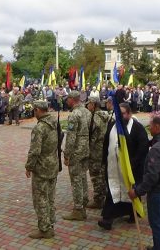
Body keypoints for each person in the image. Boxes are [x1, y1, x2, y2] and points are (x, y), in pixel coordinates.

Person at [128, 116, 160, 250]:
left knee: (157, 223)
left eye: (150, 125)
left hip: (159, 191)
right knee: (159, 221)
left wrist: (137, 191)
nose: (149, 128)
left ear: (157, 127)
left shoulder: (157, 148)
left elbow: (152, 176)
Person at [98, 102, 149, 230]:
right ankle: (108, 219)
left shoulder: (138, 128)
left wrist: (132, 163)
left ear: (129, 113)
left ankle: (133, 214)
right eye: (117, 114)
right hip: (113, 168)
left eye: (122, 114)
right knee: (112, 191)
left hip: (131, 169)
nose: (120, 117)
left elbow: (143, 149)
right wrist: (104, 160)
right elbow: (106, 144)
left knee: (130, 193)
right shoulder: (112, 126)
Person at [25, 100, 59, 239]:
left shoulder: (40, 128)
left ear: (39, 110)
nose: (34, 113)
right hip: (53, 164)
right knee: (50, 196)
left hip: (42, 167)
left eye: (35, 110)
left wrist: (29, 166)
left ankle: (44, 229)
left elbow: (35, 151)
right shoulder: (53, 122)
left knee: (40, 198)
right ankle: (50, 222)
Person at [62, 90, 91, 221]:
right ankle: (84, 201)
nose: (66, 101)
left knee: (76, 179)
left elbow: (71, 136)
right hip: (86, 149)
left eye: (67, 99)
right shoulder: (87, 112)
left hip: (76, 150)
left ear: (72, 100)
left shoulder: (74, 114)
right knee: (83, 176)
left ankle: (78, 209)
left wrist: (67, 154)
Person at [86, 97, 109, 209]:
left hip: (96, 151)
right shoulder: (106, 116)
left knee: (96, 175)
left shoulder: (94, 118)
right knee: (103, 174)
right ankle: (104, 196)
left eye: (89, 104)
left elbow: (92, 137)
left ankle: (98, 200)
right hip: (105, 149)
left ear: (94, 105)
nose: (87, 106)